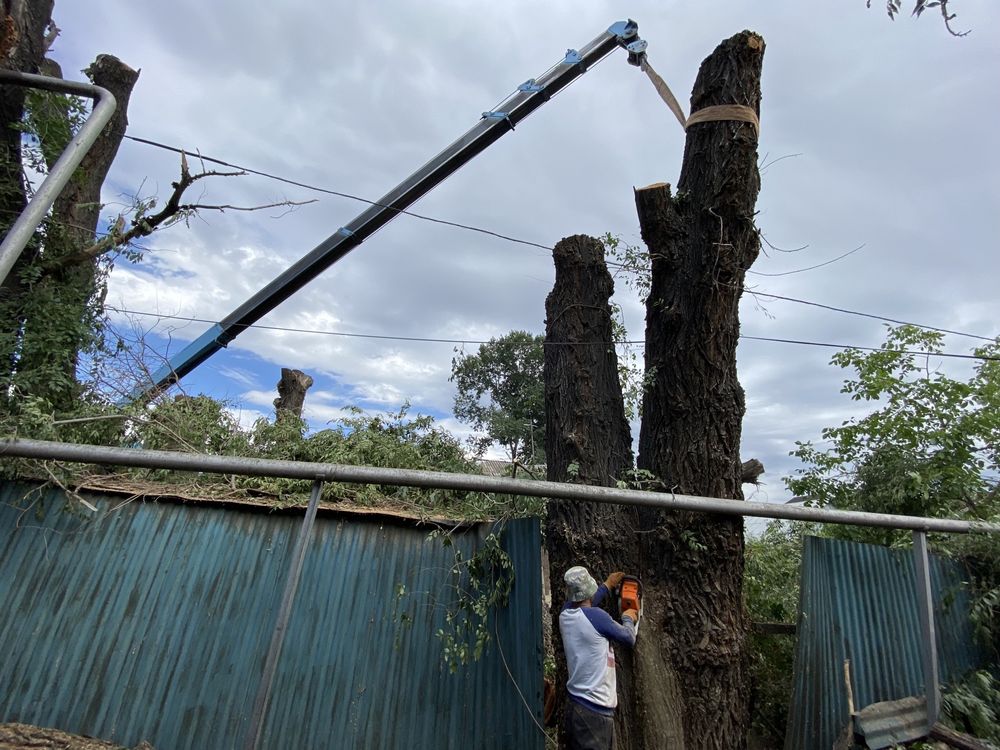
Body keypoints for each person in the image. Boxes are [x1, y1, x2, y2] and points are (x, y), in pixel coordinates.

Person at [559, 565, 638, 750]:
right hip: (594, 711)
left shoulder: (565, 614)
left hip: (579, 707)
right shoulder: (598, 617)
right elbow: (628, 638)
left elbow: (586, 604)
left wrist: (607, 586)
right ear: (589, 590)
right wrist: (628, 618)